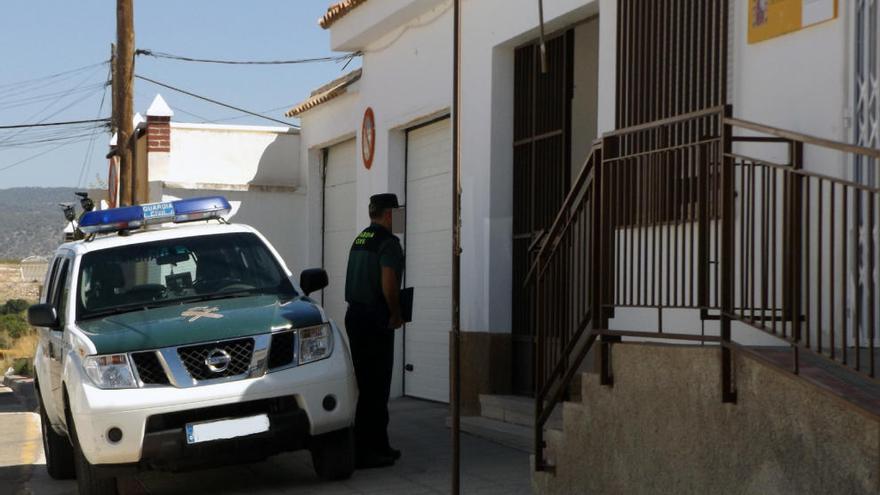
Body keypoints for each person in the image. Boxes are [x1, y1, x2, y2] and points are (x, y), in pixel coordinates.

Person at [344, 193, 405, 469]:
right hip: (375, 318)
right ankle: (366, 451)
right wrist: (395, 312)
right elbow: (389, 283)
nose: (399, 218)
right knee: (376, 387)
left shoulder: (361, 238)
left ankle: (379, 444)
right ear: (389, 214)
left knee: (369, 384)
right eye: (398, 212)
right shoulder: (389, 243)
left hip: (355, 316)